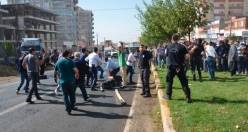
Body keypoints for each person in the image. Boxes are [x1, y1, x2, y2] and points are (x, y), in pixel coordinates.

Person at [163, 34, 193, 103]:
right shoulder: (182, 47)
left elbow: (167, 57)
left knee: (169, 81)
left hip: (171, 66)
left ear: (172, 39)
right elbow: (187, 57)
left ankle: (168, 95)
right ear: (178, 39)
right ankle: (188, 97)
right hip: (180, 66)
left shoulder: (168, 47)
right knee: (184, 82)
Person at [55, 50, 79, 115]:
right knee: (72, 94)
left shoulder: (58, 61)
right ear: (68, 54)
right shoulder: (70, 61)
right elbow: (76, 70)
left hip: (62, 81)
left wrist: (59, 75)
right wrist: (77, 75)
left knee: (65, 96)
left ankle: (68, 110)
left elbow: (55, 71)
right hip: (71, 80)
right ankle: (72, 105)